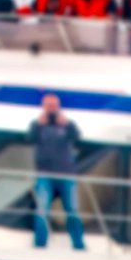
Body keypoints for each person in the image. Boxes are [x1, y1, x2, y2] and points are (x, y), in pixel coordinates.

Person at [27, 94, 85, 249]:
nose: (52, 110)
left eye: (54, 106)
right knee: (42, 211)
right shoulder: (37, 124)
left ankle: (78, 244)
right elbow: (30, 138)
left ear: (58, 107)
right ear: (44, 107)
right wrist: (39, 125)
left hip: (66, 174)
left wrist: (67, 125)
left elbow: (77, 137)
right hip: (45, 174)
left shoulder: (67, 124)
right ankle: (40, 243)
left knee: (72, 210)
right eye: (49, 106)